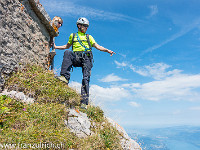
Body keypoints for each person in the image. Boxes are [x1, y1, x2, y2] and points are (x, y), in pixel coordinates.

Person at [54, 17, 115, 109]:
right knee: (67, 53)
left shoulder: (88, 37)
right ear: (79, 26)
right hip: (76, 57)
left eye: (87, 26)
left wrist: (107, 50)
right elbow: (66, 46)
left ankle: (84, 102)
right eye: (85, 26)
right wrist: (55, 47)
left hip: (87, 58)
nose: (86, 28)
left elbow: (97, 46)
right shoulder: (73, 36)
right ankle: (64, 77)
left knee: (86, 78)